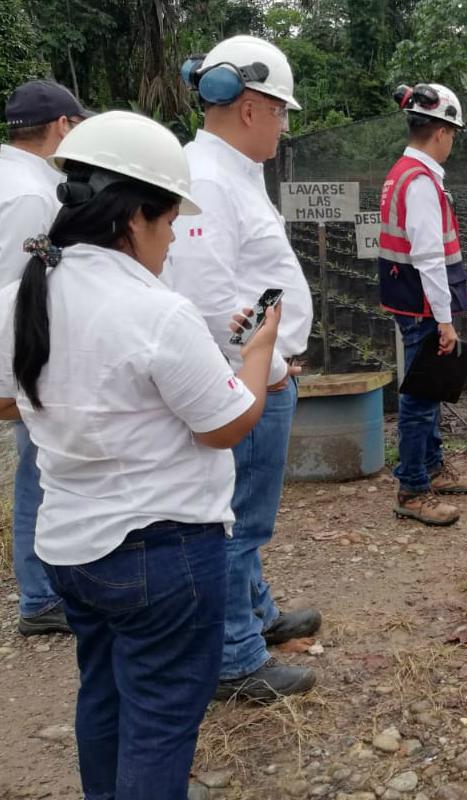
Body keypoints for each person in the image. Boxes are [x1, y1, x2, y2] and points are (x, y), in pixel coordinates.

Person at [0, 110, 277, 799]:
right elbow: (226, 423)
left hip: (70, 550)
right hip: (164, 554)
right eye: (170, 220)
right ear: (133, 218)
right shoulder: (156, 311)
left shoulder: (22, 294)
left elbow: (12, 401)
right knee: (160, 721)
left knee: (105, 697)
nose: (175, 235)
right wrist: (260, 355)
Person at [163, 34, 319, 701]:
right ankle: (234, 657)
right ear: (250, 106)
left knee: (244, 514)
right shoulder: (205, 177)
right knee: (234, 519)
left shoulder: (228, 172)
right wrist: (271, 368)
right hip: (245, 378)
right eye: (281, 111)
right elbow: (206, 300)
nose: (285, 126)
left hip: (255, 373)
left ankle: (256, 616)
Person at [0, 80, 91, 637]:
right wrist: (20, 376)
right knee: (41, 467)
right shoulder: (32, 193)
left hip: (18, 350)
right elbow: (16, 288)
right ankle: (38, 595)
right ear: (61, 125)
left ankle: (42, 586)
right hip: (24, 349)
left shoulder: (13, 177)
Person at [378, 82, 467, 528]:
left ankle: (434, 468)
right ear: (440, 132)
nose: (452, 142)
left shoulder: (403, 172)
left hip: (412, 301)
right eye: (453, 134)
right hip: (423, 306)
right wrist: (444, 321)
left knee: (432, 388)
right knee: (421, 398)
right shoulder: (419, 183)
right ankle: (413, 489)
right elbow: (428, 257)